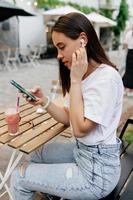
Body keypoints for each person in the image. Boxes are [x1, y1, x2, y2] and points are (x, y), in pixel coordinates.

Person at [11, 12, 124, 200]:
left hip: (97, 174)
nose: (58, 55)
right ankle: (53, 191)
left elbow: (80, 129)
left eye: (61, 47)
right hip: (83, 153)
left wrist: (76, 80)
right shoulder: (82, 75)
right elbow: (68, 118)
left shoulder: (105, 78)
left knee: (19, 177)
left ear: (82, 40)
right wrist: (44, 100)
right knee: (38, 154)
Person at [122, 26, 133, 96]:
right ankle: (131, 90)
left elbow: (125, 44)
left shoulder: (129, 33)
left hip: (129, 53)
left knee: (128, 70)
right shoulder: (129, 33)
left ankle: (126, 89)